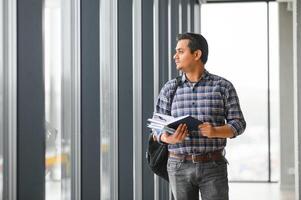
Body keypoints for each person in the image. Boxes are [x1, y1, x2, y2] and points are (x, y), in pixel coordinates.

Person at [152, 33, 246, 200]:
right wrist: (167, 138)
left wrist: (215, 131)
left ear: (196, 54)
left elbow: (238, 123)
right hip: (177, 165)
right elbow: (156, 126)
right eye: (176, 52)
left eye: (180, 51)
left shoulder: (222, 87)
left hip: (213, 165)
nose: (175, 56)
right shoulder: (170, 88)